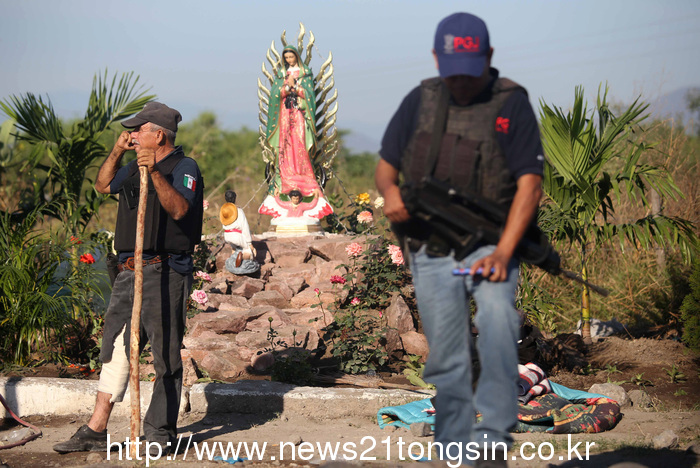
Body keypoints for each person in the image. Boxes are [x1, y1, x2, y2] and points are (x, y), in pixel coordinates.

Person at [375, 12, 544, 467]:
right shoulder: (420, 101)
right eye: (452, 71)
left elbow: (530, 185)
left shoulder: (511, 103)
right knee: (448, 360)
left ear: (488, 57)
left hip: (492, 243)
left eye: (470, 70)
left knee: (496, 321)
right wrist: (391, 195)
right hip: (432, 249)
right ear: (436, 58)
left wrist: (506, 251)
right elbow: (386, 167)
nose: (462, 83)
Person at [53, 102, 204, 456]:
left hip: (165, 270)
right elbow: (103, 185)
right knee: (117, 349)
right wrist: (118, 150)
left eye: (138, 130)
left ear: (160, 136)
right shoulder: (133, 163)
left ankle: (159, 432)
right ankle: (95, 429)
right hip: (128, 270)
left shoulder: (184, 167)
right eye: (131, 131)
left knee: (165, 353)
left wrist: (153, 173)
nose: (133, 135)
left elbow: (181, 209)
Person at [258, 45, 333, 221]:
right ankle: (283, 179)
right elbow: (275, 95)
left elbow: (309, 97)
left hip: (300, 115)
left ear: (297, 57)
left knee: (300, 146)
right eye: (287, 58)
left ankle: (305, 179)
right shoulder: (281, 74)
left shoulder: (305, 74)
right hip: (285, 116)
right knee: (284, 146)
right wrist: (285, 88)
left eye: (292, 57)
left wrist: (296, 88)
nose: (289, 60)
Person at [220, 189, 256, 265]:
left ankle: (234, 257)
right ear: (234, 199)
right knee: (247, 251)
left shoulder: (224, 210)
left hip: (227, 235)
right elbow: (245, 227)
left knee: (235, 248)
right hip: (237, 236)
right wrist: (250, 244)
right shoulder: (238, 210)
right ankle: (241, 263)